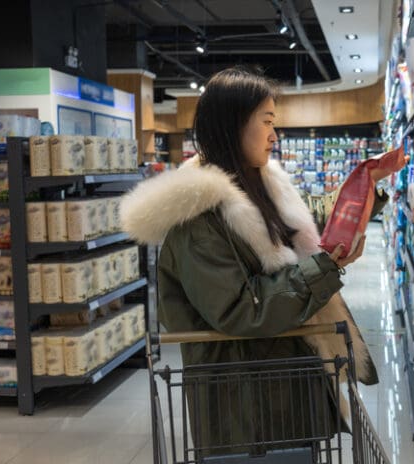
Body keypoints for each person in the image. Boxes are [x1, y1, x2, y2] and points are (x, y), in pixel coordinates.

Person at [120, 67, 395, 458]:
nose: (274, 135)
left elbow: (300, 227)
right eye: (266, 122)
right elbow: (240, 310)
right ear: (233, 125)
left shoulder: (261, 184)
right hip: (245, 408)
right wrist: (323, 271)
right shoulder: (199, 219)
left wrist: (364, 189)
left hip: (281, 391)